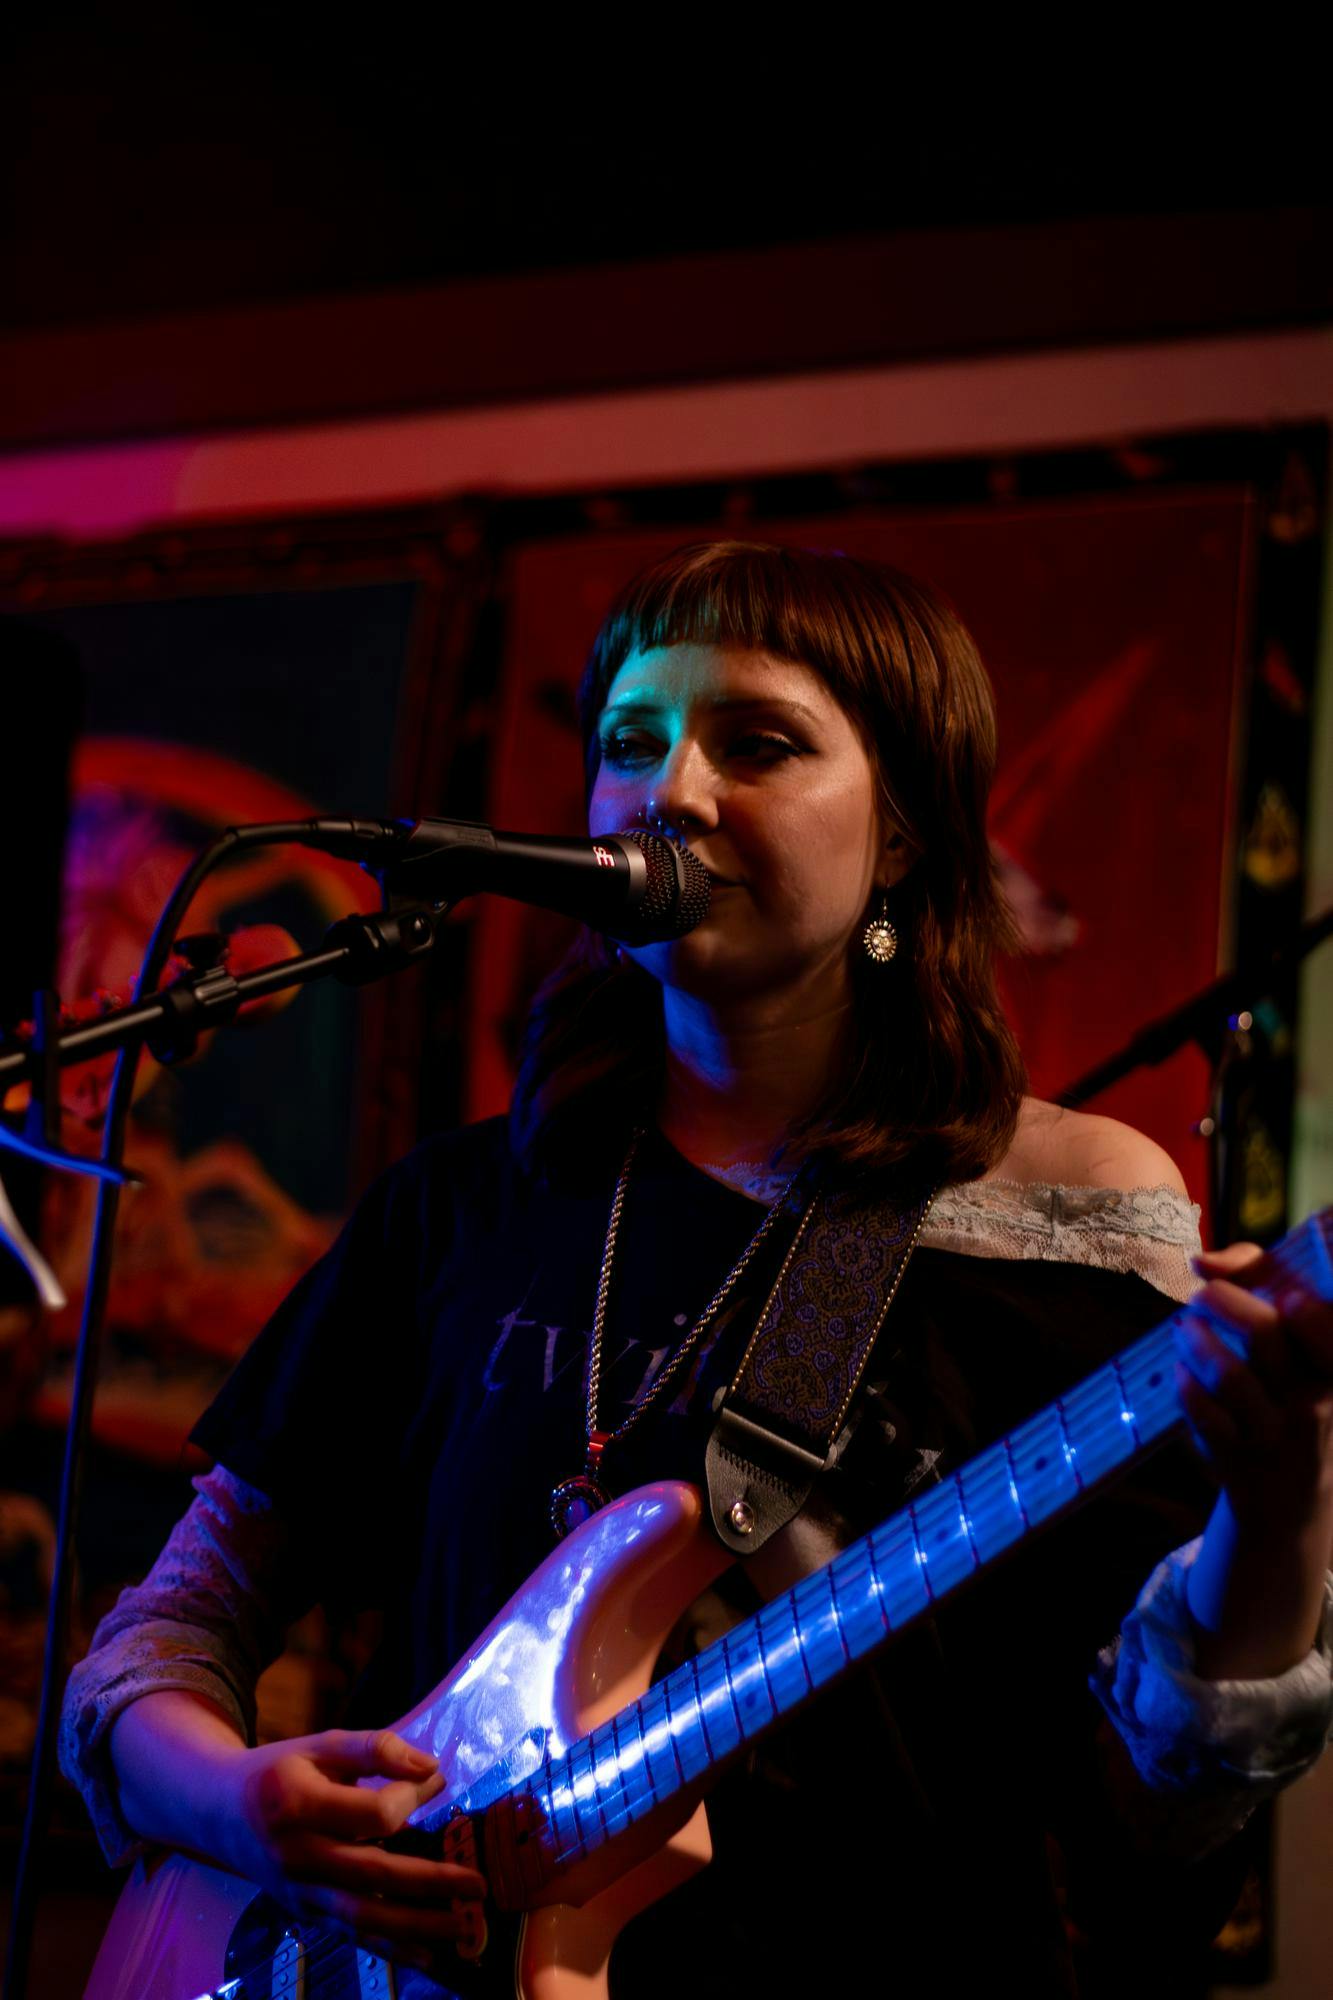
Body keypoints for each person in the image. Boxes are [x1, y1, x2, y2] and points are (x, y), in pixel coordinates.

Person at [61, 543, 1333, 1997]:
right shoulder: (470, 1204)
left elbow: (1160, 1803)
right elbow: (170, 1628)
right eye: (628, 742)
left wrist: (1282, 1488)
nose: (666, 792)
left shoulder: (1066, 1215)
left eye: (758, 743)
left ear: (904, 835)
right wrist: (235, 1806)